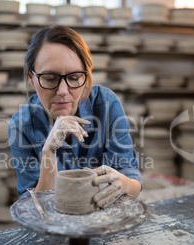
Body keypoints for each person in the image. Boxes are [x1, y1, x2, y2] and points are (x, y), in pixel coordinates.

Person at [8, 25, 142, 209]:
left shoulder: (106, 104)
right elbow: (32, 207)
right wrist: (49, 152)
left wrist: (124, 184)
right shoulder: (21, 125)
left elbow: (132, 179)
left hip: (104, 220)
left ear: (86, 77)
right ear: (31, 77)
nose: (63, 92)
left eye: (74, 77)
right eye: (49, 78)